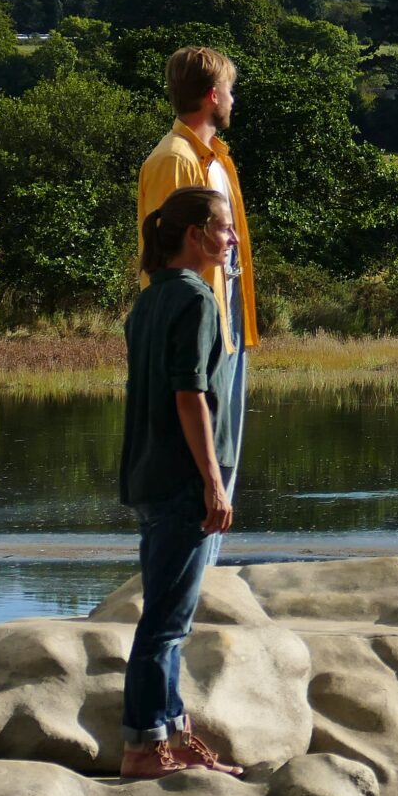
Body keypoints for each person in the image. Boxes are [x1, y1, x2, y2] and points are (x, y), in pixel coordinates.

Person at [117, 185, 247, 779]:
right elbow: (189, 396)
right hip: (179, 484)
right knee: (165, 625)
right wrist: (213, 484)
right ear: (196, 234)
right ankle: (144, 749)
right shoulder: (196, 299)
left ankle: (173, 732)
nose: (232, 240)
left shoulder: (147, 303)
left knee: (171, 618)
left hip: (148, 477)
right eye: (224, 229)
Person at [139, 46, 259, 495]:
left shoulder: (215, 159)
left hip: (224, 326)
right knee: (200, 475)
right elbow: (168, 254)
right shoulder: (176, 160)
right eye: (230, 90)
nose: (233, 100)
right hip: (201, 327)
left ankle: (204, 567)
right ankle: (194, 566)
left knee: (222, 467)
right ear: (212, 94)